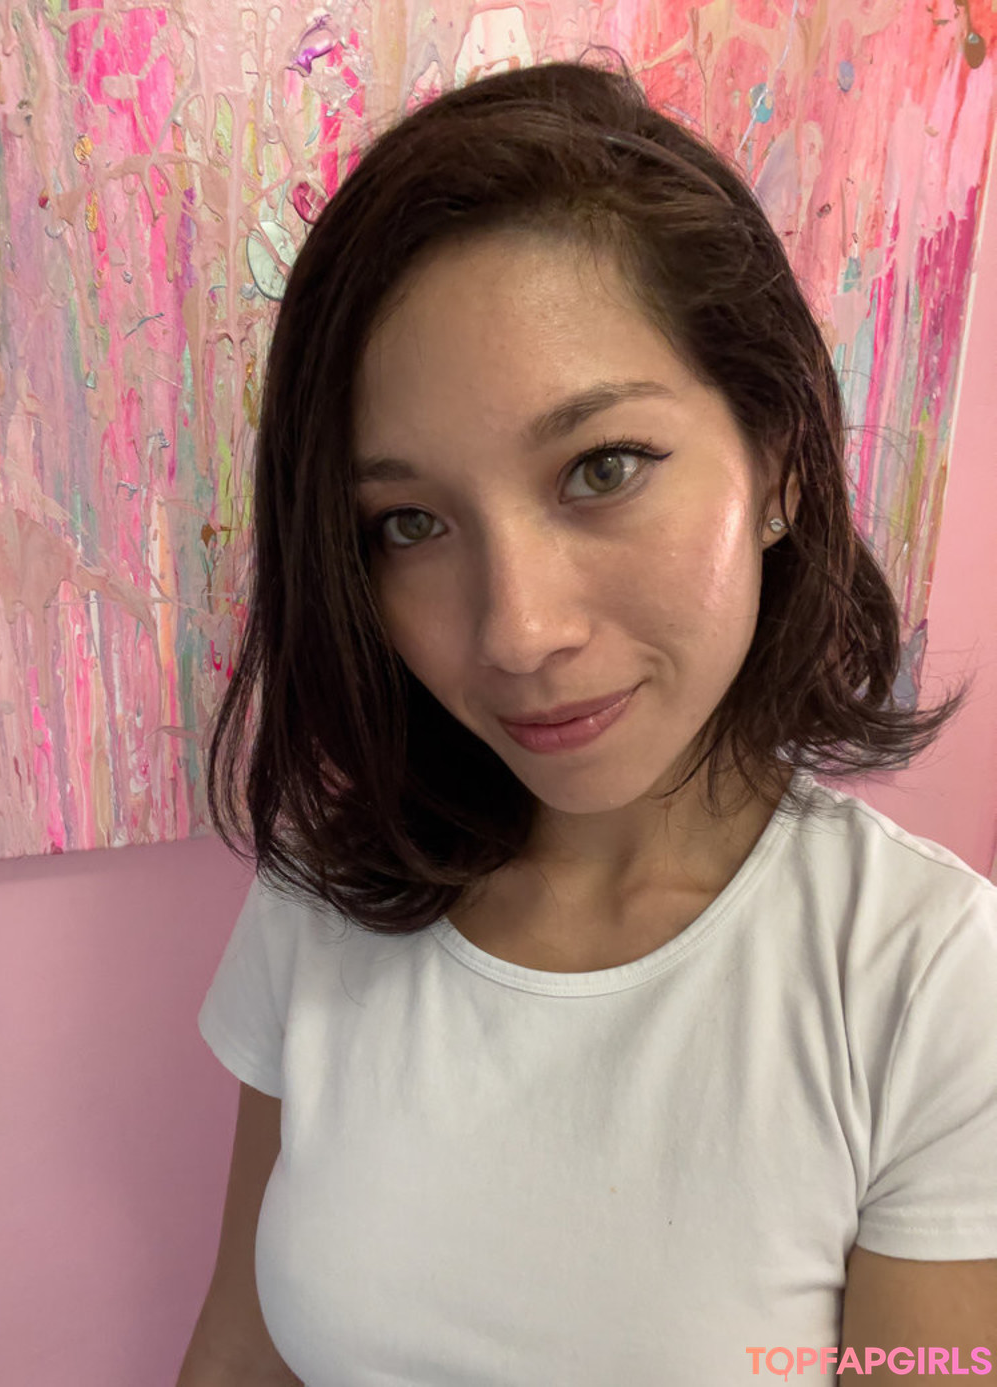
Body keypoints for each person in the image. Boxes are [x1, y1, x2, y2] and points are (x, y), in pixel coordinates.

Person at [177, 56, 997, 1387]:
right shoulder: (327, 894)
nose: (515, 630)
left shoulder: (925, 980)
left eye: (602, 468)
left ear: (779, 458)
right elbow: (238, 1353)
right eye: (411, 523)